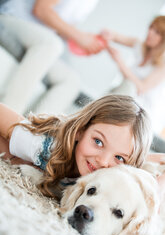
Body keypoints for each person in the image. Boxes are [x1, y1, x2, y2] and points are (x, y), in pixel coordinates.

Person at [0, 94, 165, 201]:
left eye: (119, 157)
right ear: (80, 130)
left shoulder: (117, 183)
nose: (103, 161)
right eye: (98, 142)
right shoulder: (46, 145)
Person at [0, 0, 104, 114]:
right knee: (51, 45)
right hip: (13, 18)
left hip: (42, 38)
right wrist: (79, 36)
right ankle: (8, 114)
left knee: (71, 80)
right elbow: (41, 10)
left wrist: (86, 40)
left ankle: (34, 129)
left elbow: (62, 28)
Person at [101, 15, 165, 136]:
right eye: (151, 27)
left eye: (157, 32)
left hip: (140, 110)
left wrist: (119, 61)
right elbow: (116, 36)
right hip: (126, 99)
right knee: (114, 92)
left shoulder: (162, 65)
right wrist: (107, 34)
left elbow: (141, 88)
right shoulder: (140, 46)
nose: (150, 32)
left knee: (127, 87)